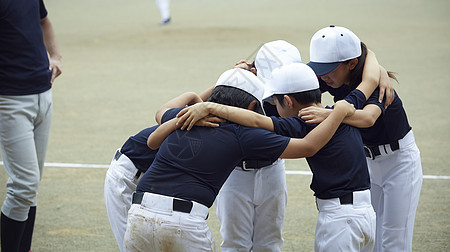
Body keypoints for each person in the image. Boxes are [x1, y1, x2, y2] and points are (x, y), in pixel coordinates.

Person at [122, 68, 356, 251]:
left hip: (138, 214)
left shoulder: (186, 116)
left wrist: (195, 100)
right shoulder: (243, 134)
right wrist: (339, 112)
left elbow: (155, 133)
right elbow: (308, 146)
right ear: (252, 106)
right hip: (184, 223)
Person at [177, 63, 377, 252]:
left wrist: (211, 107)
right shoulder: (346, 108)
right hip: (366, 212)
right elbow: (370, 81)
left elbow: (257, 120)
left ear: (288, 101)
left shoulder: (302, 123)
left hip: (340, 218)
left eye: (275, 103)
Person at [303, 25, 423, 252]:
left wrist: (328, 114)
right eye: (320, 68)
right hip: (366, 162)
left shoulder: (377, 83)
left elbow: (368, 118)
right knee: (373, 239)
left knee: (394, 242)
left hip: (399, 162)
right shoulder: (332, 79)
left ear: (352, 63)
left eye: (329, 68)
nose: (323, 75)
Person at [0, 0, 63, 251]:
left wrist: (56, 56)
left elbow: (44, 20)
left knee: (31, 185)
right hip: (9, 101)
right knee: (24, 185)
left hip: (43, 94)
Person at [104, 88, 213, 251]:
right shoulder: (191, 117)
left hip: (145, 181)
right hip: (124, 178)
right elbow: (188, 100)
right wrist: (199, 97)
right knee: (130, 246)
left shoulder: (197, 117)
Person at [218, 40, 302, 251]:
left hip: (272, 169)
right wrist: (234, 76)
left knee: (270, 243)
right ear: (253, 71)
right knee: (233, 243)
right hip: (235, 172)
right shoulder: (235, 87)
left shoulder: (296, 87)